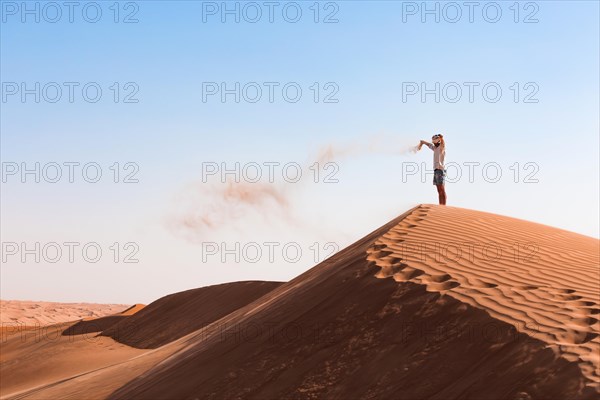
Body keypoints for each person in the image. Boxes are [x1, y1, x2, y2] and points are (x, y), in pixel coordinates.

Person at [417, 134, 447, 205]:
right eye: (433, 142)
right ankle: (441, 205)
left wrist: (441, 138)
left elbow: (443, 143)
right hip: (436, 170)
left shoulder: (441, 147)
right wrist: (421, 143)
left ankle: (444, 206)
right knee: (439, 190)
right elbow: (427, 144)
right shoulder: (435, 148)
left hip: (440, 170)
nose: (433, 143)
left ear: (438, 141)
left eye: (435, 142)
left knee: (442, 189)